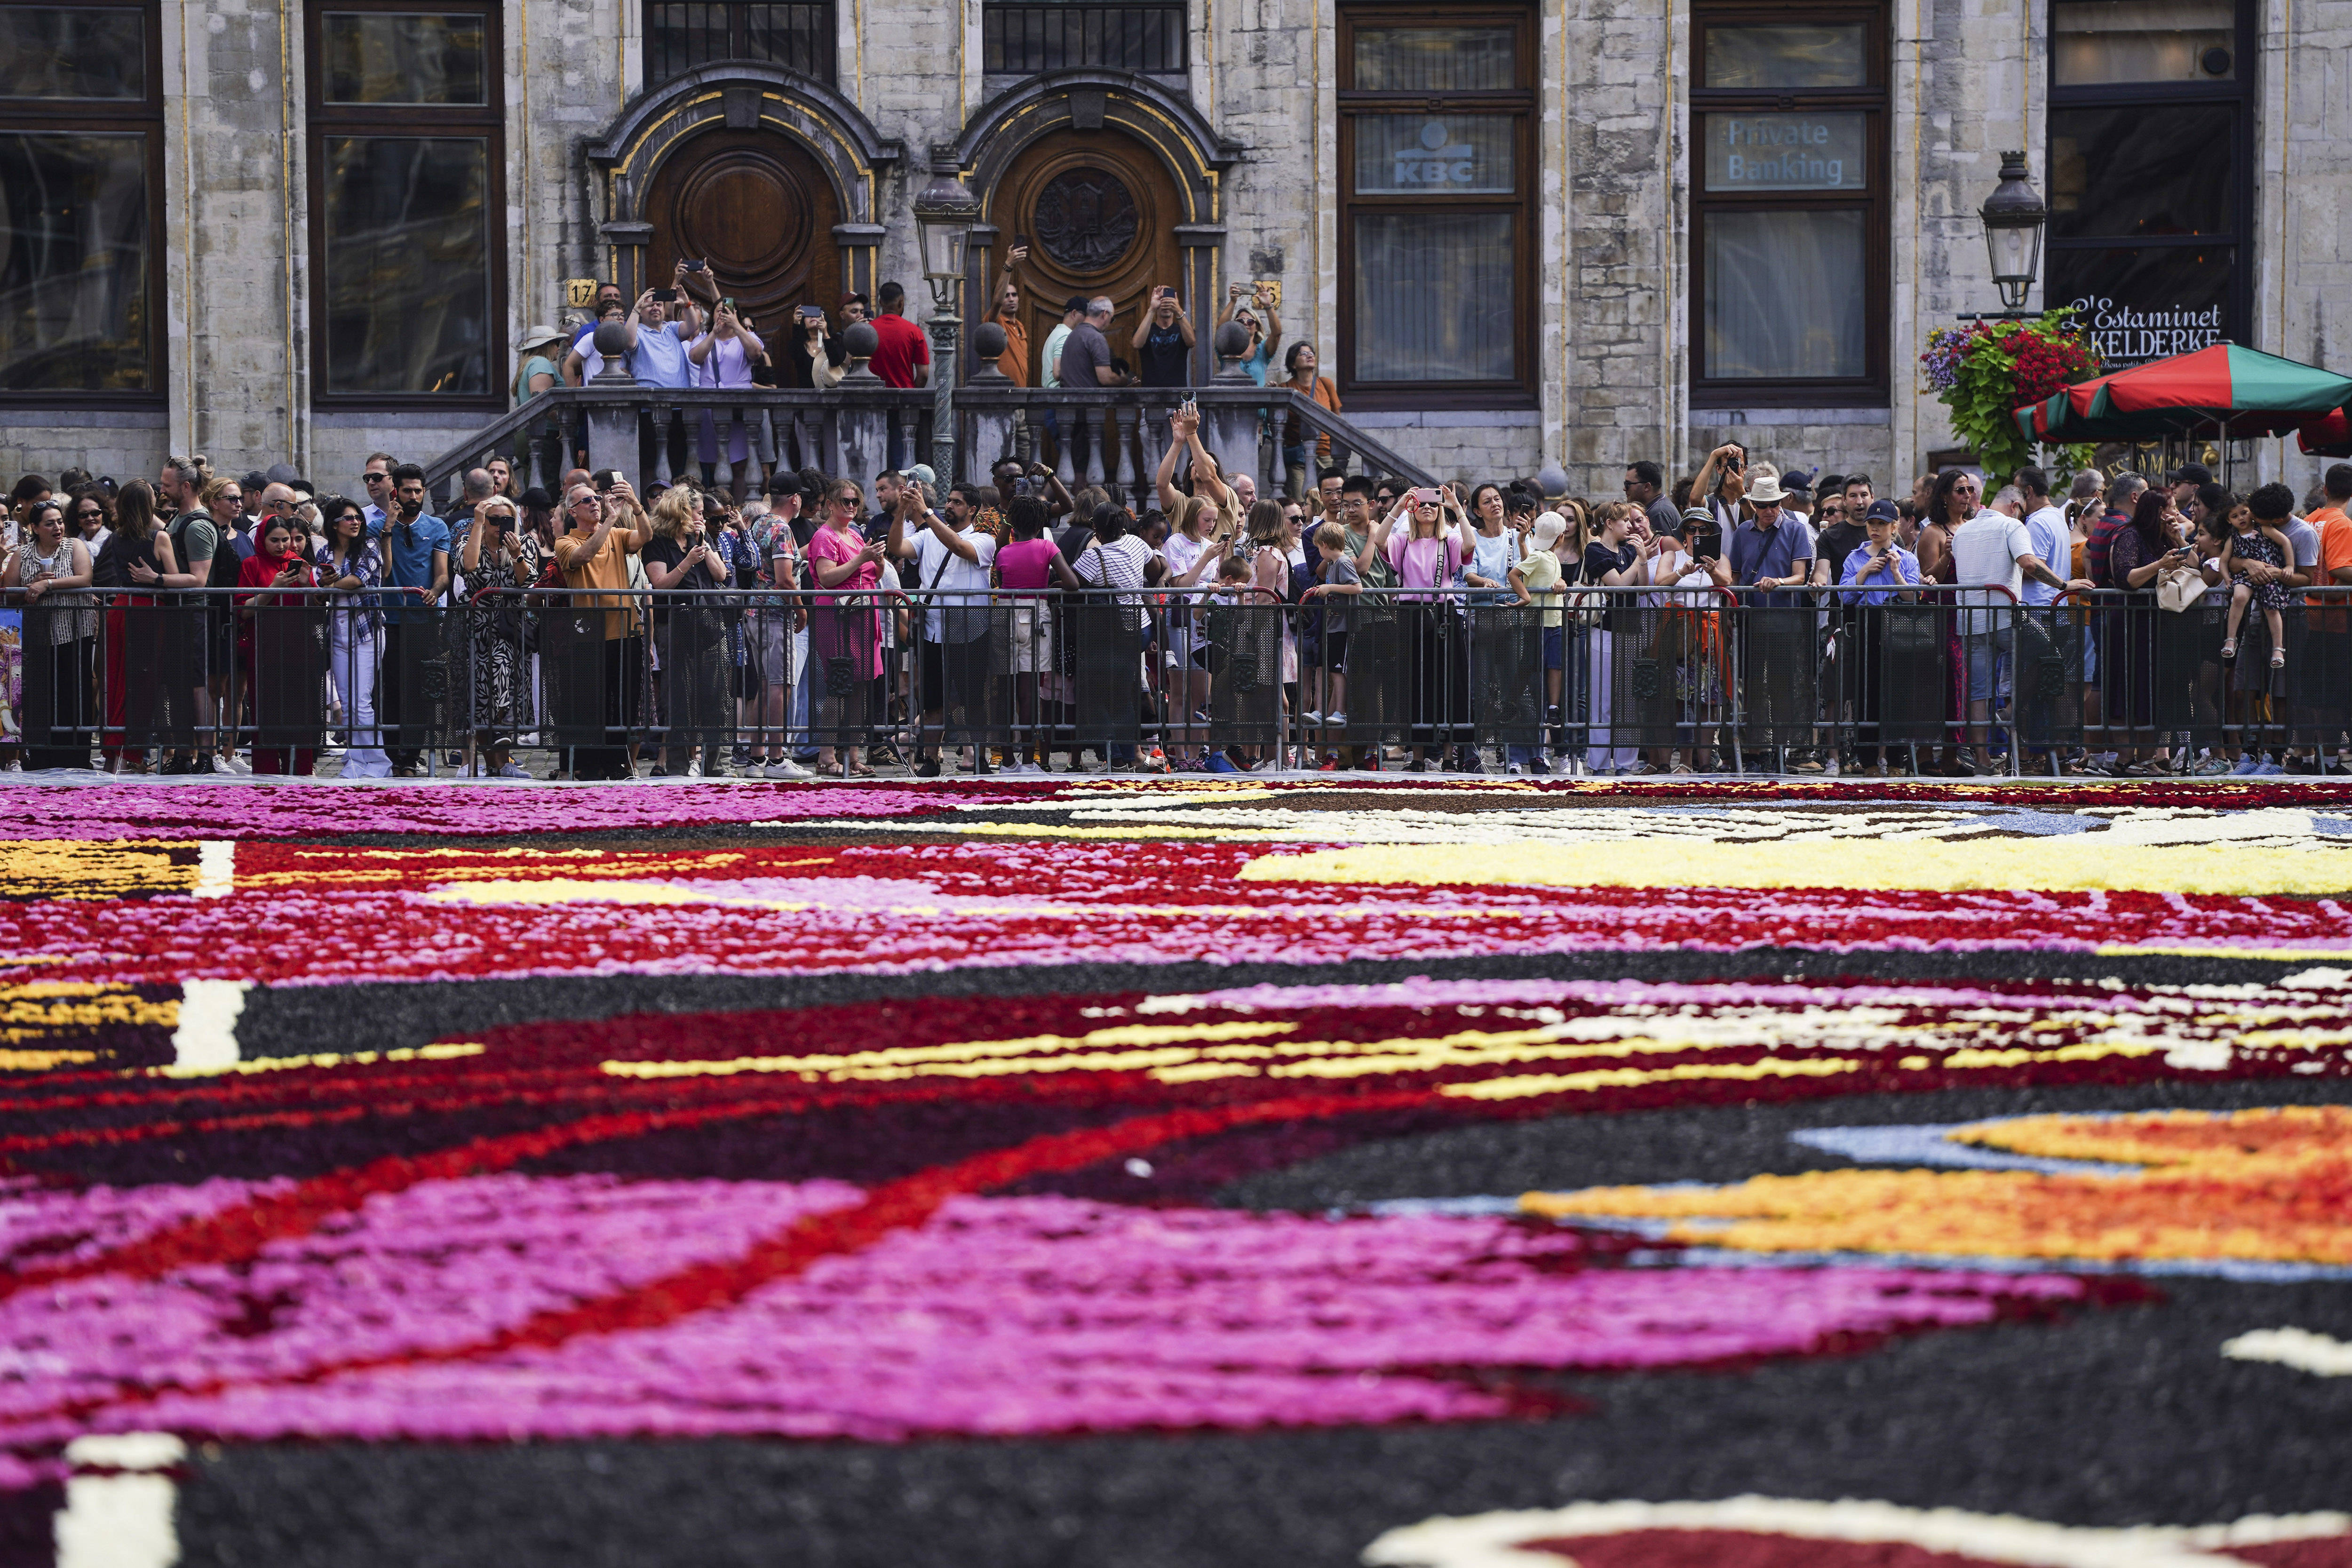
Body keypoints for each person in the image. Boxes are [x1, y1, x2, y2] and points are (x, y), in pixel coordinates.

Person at [1950, 481, 2092, 772]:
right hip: (2006, 616)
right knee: (2052, 655)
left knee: (1978, 692)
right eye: (2022, 512)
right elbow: (2029, 563)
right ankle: (2010, 710)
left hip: (1971, 619)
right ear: (2015, 506)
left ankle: (1982, 760)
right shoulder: (2012, 527)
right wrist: (2065, 585)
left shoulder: (1962, 532)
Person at [804, 477, 888, 775]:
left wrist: (876, 561)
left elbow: (872, 575)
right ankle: (827, 755)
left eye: (856, 501)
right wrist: (863, 558)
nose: (852, 506)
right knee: (839, 684)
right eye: (845, 501)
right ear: (829, 505)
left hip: (862, 614)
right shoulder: (825, 536)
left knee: (861, 687)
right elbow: (826, 578)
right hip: (838, 616)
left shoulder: (853, 534)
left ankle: (853, 754)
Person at [453, 491, 539, 778]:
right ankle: (486, 764)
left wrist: (516, 556)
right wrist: (478, 523)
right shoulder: (468, 541)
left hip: (508, 627)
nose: (500, 525)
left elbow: (528, 580)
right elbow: (468, 568)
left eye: (507, 519)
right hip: (475, 629)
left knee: (503, 685)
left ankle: (502, 763)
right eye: (494, 520)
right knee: (476, 697)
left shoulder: (523, 544)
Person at [994, 493, 1081, 771]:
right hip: (1037, 614)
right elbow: (1072, 583)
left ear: (1012, 522)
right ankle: (1030, 762)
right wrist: (1048, 587)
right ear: (1041, 521)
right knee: (1030, 691)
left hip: (1005, 613)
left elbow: (1000, 572)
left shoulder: (1004, 552)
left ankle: (1007, 762)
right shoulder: (1046, 547)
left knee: (1005, 691)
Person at [7, 500, 96, 769]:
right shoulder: (22, 554)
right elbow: (9, 592)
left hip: (74, 631)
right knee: (38, 696)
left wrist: (49, 584)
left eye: (60, 521)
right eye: (50, 523)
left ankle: (77, 757)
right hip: (36, 638)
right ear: (34, 527)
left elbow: (84, 577)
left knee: (74, 694)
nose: (58, 527)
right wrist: (31, 585)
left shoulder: (74, 546)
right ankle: (39, 756)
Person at [1837, 501, 1921, 775]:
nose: (1875, 528)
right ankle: (1870, 760)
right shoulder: (1855, 557)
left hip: (1897, 626)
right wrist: (1864, 573)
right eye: (1872, 524)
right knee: (1867, 693)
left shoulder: (1907, 558)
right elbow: (1844, 595)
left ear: (1894, 527)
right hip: (1866, 625)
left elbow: (1913, 598)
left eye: (1882, 524)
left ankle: (1896, 761)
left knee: (1898, 694)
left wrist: (1896, 573)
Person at [378, 462, 450, 775]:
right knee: (391, 691)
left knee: (420, 691)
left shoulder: (437, 527)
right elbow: (381, 569)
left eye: (418, 490)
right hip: (388, 619)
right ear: (396, 491)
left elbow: (443, 574)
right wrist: (389, 527)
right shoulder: (380, 525)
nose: (413, 495)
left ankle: (411, 757)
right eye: (407, 490)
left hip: (423, 621)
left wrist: (435, 590)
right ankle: (393, 756)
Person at [316, 496, 390, 779]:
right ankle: (355, 762)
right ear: (335, 525)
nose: (356, 522)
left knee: (361, 702)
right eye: (349, 518)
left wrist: (328, 582)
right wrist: (323, 584)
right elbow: (320, 589)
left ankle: (377, 764)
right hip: (337, 631)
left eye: (358, 517)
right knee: (347, 704)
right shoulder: (325, 552)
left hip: (366, 631)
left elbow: (358, 580)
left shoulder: (369, 546)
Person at [688, 300, 765, 500]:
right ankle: (718, 508)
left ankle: (738, 507)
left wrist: (737, 326)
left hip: (740, 407)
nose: (723, 314)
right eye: (719, 311)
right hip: (710, 406)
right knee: (715, 463)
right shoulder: (704, 338)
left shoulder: (747, 336)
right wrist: (714, 333)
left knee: (739, 465)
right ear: (712, 316)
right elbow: (695, 357)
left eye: (728, 311)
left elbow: (756, 353)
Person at [1278, 342, 1341, 498]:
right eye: (1303, 354)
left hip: (1325, 452)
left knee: (1331, 500)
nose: (1309, 355)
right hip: (1298, 455)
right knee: (1302, 501)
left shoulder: (1326, 384)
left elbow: (1338, 419)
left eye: (1311, 353)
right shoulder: (1286, 388)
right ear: (1293, 364)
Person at [867, 280, 931, 390]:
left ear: (880, 302)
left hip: (874, 399)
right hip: (904, 400)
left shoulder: (868, 330)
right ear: (901, 302)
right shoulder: (914, 332)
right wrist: (910, 396)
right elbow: (924, 375)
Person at [1131, 286, 1195, 387]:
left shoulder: (1182, 329)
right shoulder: (1146, 330)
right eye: (1161, 299)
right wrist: (1152, 309)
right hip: (1150, 393)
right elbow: (1136, 344)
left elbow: (1192, 342)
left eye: (1169, 299)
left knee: (1190, 403)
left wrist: (1178, 311)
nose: (1165, 303)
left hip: (1182, 391)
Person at [1218, 283, 1279, 384]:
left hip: (1257, 400)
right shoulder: (1227, 348)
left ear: (1257, 328)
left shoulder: (1263, 349)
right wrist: (1233, 301)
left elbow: (1277, 334)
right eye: (1241, 321)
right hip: (1231, 400)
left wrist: (1268, 305)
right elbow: (1221, 330)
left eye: (1250, 321)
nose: (1246, 324)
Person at [987, 246, 1032, 383]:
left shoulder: (1020, 326)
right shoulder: (996, 322)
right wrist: (1008, 265)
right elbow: (997, 303)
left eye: (1014, 295)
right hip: (1002, 396)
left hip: (1020, 396)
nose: (1012, 299)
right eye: (1006, 296)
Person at [1625, 462, 1678, 538]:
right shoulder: (1659, 506)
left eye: (1628, 484)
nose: (1625, 489)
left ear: (1647, 487)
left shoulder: (1658, 513)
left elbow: (1660, 548)